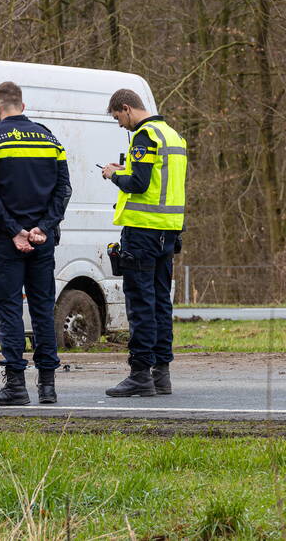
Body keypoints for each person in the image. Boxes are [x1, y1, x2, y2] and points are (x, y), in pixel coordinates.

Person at [0, 81, 71, 405]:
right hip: (43, 241)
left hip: (6, 241)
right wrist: (42, 228)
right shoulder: (49, 139)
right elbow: (64, 190)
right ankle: (48, 386)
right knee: (43, 310)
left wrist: (15, 230)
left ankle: (16, 385)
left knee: (10, 310)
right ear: (23, 106)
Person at [100, 89, 187, 397]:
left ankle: (139, 374)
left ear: (127, 109)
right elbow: (161, 182)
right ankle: (161, 373)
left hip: (142, 231)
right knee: (162, 303)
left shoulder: (144, 136)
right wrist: (128, 171)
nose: (121, 124)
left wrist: (113, 174)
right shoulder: (172, 136)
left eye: (118, 118)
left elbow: (139, 184)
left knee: (140, 302)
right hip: (169, 230)